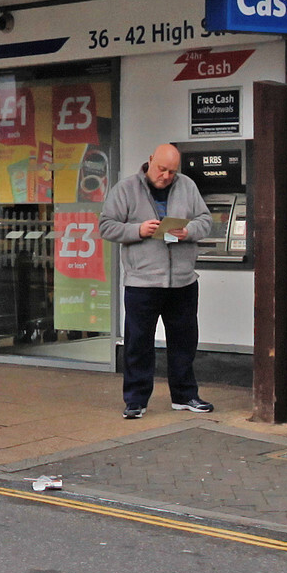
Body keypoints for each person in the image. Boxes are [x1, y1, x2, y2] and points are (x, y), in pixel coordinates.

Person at [101, 143, 213, 418]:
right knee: (139, 343)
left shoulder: (187, 186)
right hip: (142, 282)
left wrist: (188, 231)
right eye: (162, 169)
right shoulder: (126, 189)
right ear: (150, 160)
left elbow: (206, 219)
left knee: (184, 341)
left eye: (172, 172)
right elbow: (106, 225)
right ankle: (136, 401)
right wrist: (137, 229)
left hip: (182, 281)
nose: (166, 176)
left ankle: (185, 396)